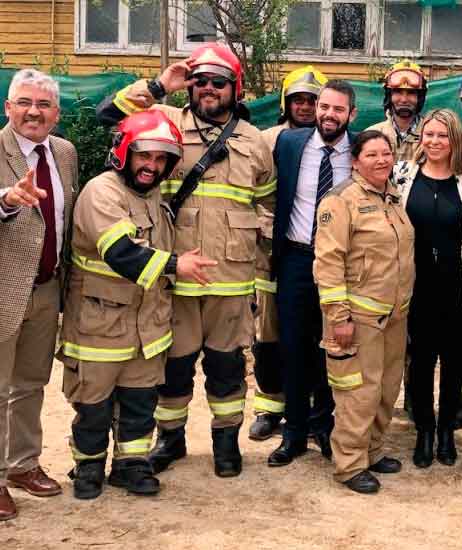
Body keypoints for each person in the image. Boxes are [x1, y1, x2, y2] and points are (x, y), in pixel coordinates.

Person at [96, 43, 275, 478]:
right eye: (200, 81)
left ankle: (226, 443)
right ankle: (171, 439)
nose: (208, 89)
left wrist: (260, 251)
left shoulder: (254, 140)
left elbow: (268, 202)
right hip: (172, 277)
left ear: (236, 88)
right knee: (173, 368)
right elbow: (107, 116)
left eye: (219, 82)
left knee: (226, 367)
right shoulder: (167, 124)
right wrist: (160, 85)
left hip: (230, 281)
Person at [58, 110, 216, 499]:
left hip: (147, 325)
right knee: (93, 404)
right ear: (124, 153)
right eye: (145, 156)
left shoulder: (155, 199)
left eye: (162, 159)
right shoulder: (102, 192)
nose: (152, 166)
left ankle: (130, 466)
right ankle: (88, 467)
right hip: (100, 322)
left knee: (139, 402)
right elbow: (121, 253)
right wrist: (179, 264)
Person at [314, 130, 414, 493]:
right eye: (372, 154)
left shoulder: (392, 197)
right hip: (357, 320)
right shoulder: (341, 201)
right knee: (358, 395)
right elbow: (328, 262)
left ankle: (372, 451)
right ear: (355, 161)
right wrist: (339, 317)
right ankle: (349, 464)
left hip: (394, 318)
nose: (382, 160)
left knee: (386, 390)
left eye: (386, 153)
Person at [0, 68, 76, 520]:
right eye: (25, 103)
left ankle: (22, 465)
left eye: (43, 105)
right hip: (3, 287)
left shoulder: (64, 152)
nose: (34, 111)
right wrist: (6, 200)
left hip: (46, 289)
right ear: (8, 107)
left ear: (56, 113)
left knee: (30, 385)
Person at [269, 80, 358, 466]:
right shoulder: (289, 144)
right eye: (324, 107)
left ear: (351, 115)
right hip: (295, 259)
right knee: (293, 347)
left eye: (338, 109)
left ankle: (325, 428)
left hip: (340, 264)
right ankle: (293, 434)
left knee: (331, 348)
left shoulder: (360, 152)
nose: (328, 115)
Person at [390, 109, 462, 468]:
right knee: (421, 361)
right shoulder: (402, 175)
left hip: (457, 284)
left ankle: (446, 431)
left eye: (443, 135)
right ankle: (424, 429)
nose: (435, 141)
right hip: (416, 282)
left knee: (455, 362)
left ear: (455, 139)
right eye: (429, 134)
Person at [250, 65, 328, 441]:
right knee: (268, 332)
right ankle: (269, 406)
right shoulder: (269, 140)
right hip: (270, 250)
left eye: (312, 101)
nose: (305, 107)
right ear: (286, 103)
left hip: (320, 254)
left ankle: (312, 408)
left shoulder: (333, 145)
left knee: (314, 333)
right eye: (298, 99)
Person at [367, 60, 427, 161]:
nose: (404, 100)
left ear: (420, 97)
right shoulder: (372, 134)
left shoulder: (432, 136)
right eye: (398, 92)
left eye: (411, 93)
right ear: (389, 96)